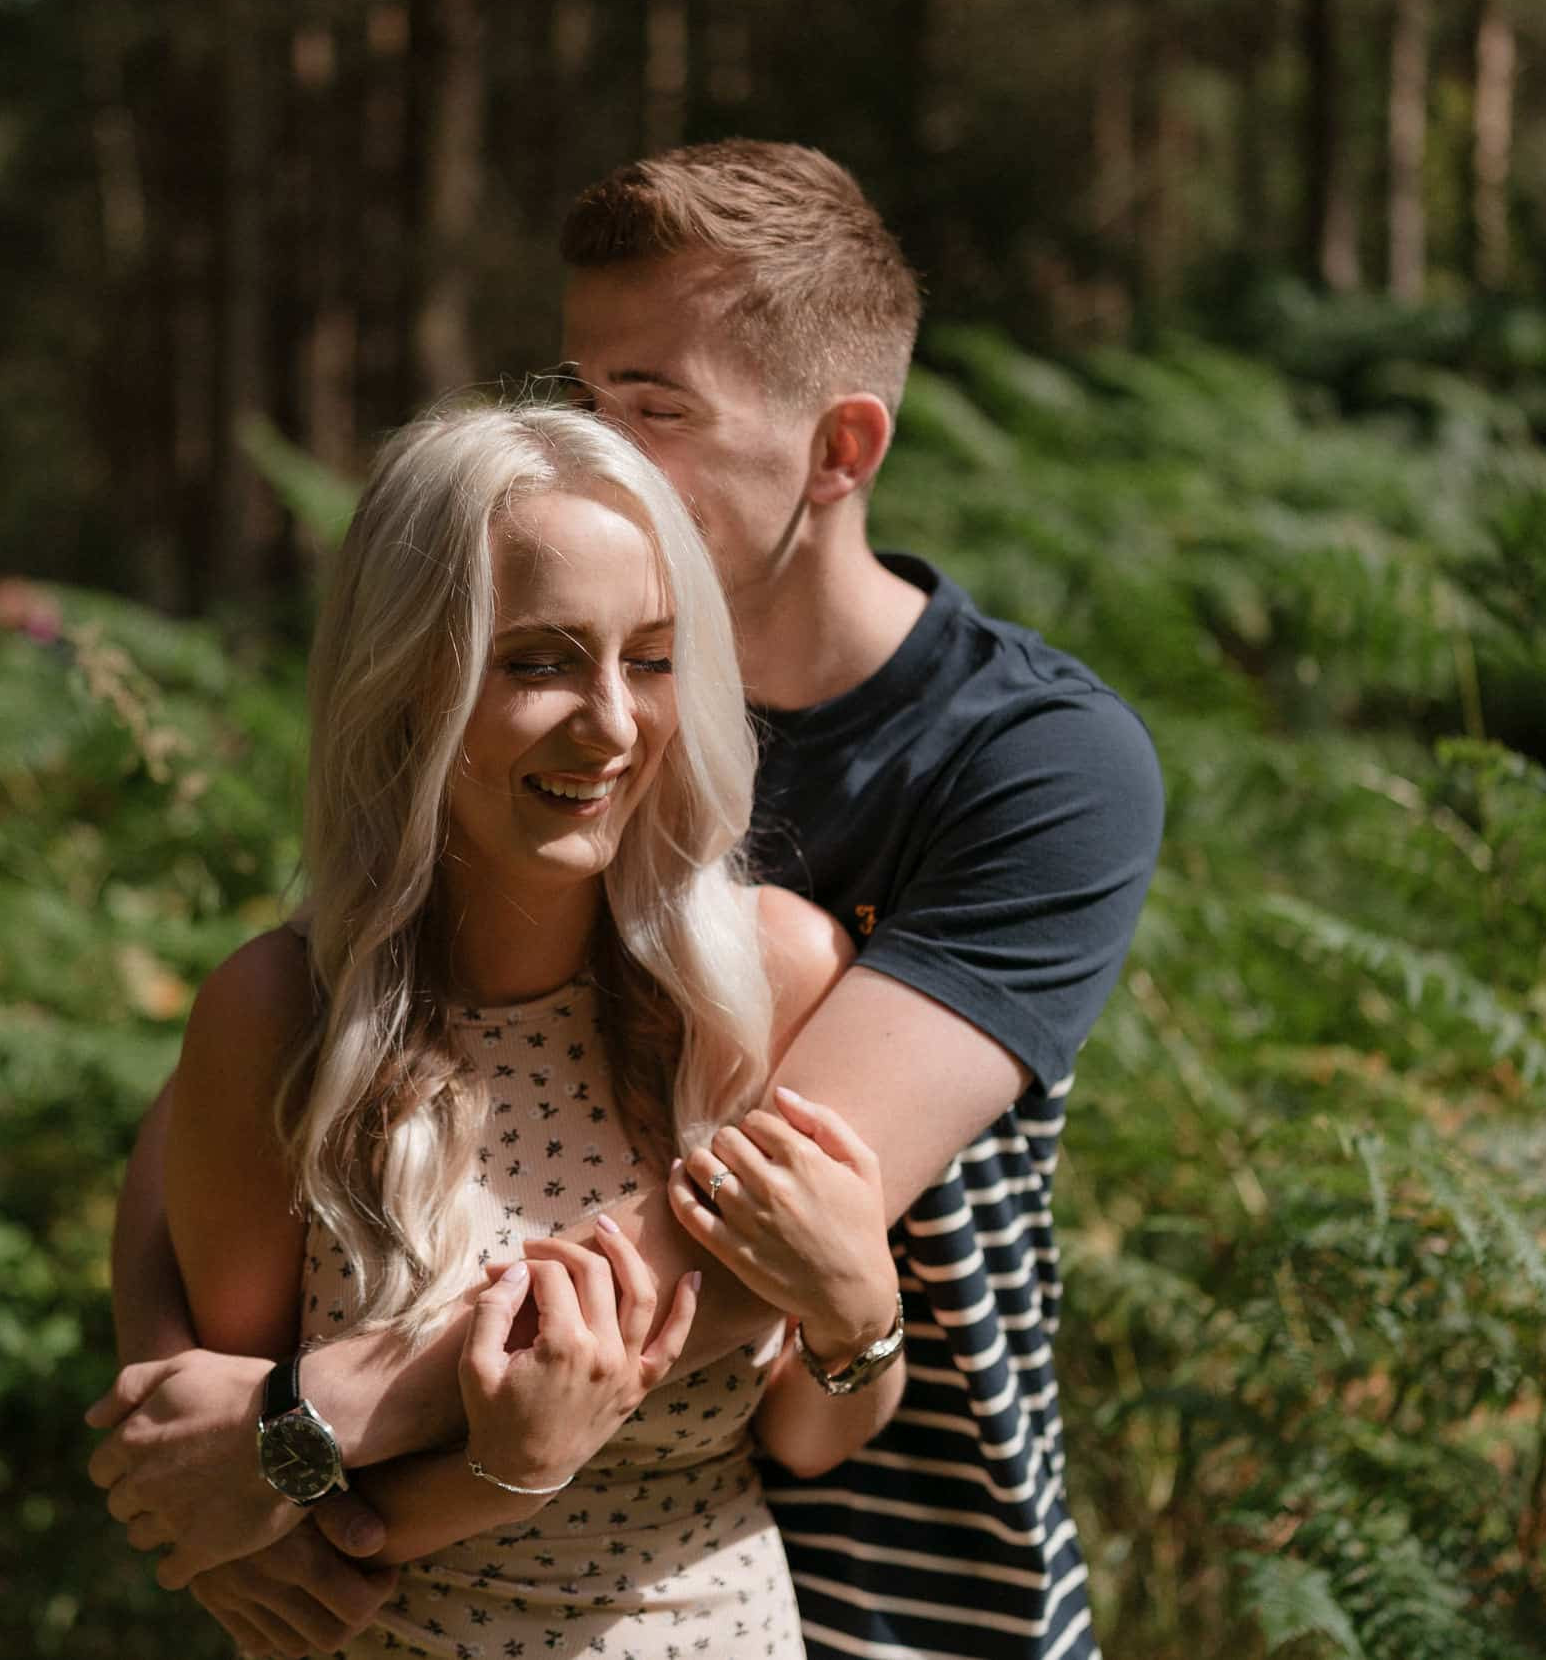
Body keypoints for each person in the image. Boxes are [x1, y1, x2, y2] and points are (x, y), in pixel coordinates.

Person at [89, 142, 1165, 1660]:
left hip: (906, 1577)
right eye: (582, 391)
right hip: (453, 1572)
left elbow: (708, 1243)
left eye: (651, 406)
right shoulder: (525, 700)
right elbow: (236, 1078)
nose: (587, 442)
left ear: (838, 446)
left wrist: (283, 1435)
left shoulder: (1030, 765)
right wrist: (176, 1421)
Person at [152, 400, 914, 1657]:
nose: (613, 724)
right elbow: (252, 1512)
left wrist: (859, 1318)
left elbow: (812, 1435)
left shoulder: (768, 976)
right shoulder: (280, 1017)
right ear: (407, 684)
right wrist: (511, 1471)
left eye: (653, 660)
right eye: (542, 661)